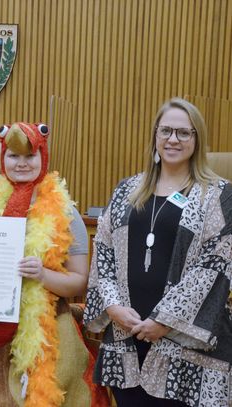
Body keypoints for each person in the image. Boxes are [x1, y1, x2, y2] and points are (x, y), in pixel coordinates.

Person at [0, 122, 109, 407]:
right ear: (2, 159)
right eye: (13, 156)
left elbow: (80, 281)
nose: (21, 164)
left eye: (30, 156)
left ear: (43, 157)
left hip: (46, 333)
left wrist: (43, 274)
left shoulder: (65, 212)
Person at [83, 97, 232, 406]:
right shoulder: (127, 189)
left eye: (183, 133)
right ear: (155, 136)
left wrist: (165, 321)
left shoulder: (219, 194)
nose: (173, 139)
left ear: (197, 139)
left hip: (187, 346)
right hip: (126, 337)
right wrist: (112, 307)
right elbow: (104, 250)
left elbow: (215, 265)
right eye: (165, 131)